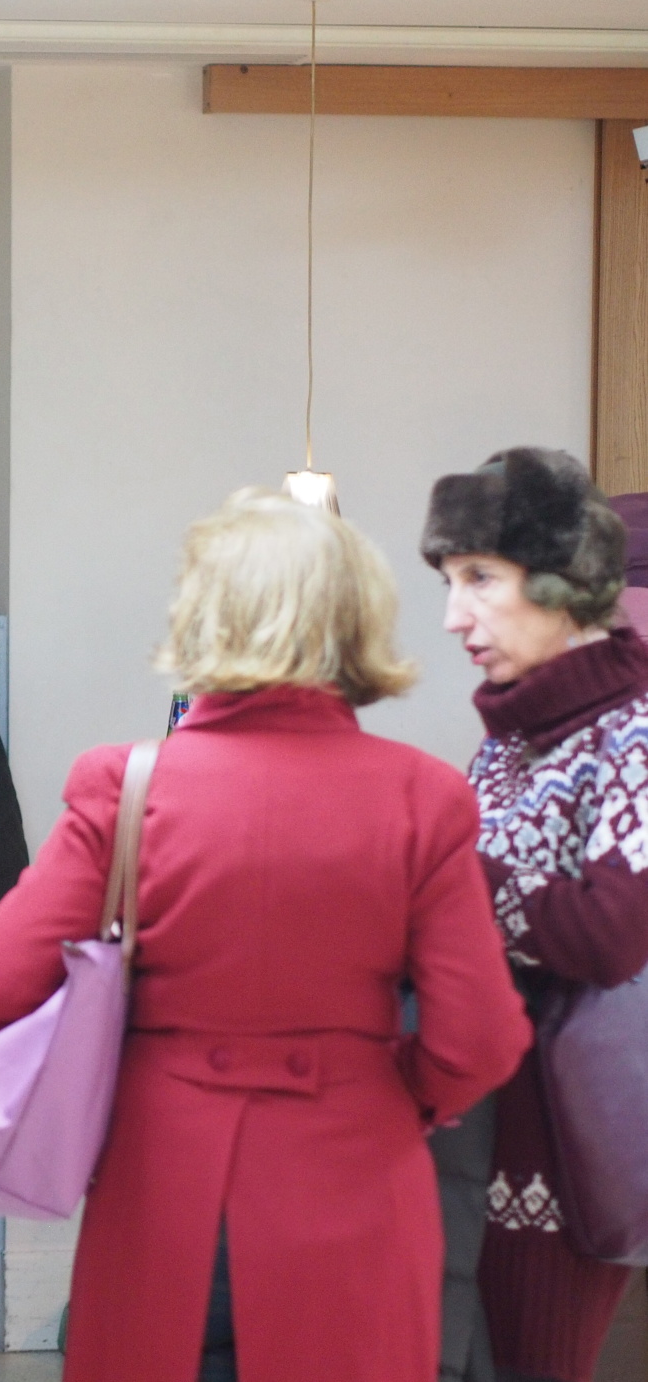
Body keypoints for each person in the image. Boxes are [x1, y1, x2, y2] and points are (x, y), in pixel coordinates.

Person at [0, 490, 532, 1382]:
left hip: (161, 1190)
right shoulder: (422, 797)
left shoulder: (125, 787)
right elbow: (478, 1040)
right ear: (355, 622)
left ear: (202, 615)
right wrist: (384, 1093)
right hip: (353, 1183)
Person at [422, 447, 648, 1382]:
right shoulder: (512, 738)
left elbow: (610, 933)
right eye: (446, 581)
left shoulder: (633, 732)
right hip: (482, 1122)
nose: (453, 616)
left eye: (480, 577)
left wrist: (441, 872)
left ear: (566, 582)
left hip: (564, 1146)